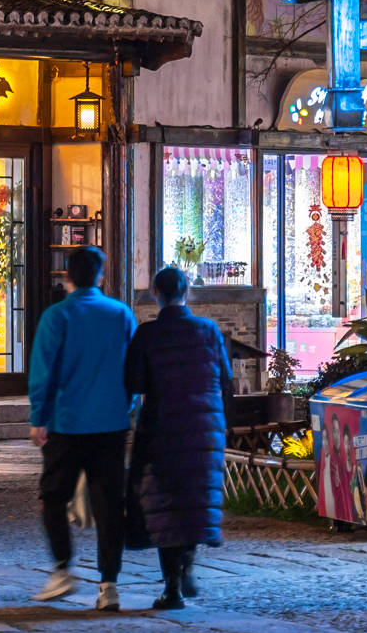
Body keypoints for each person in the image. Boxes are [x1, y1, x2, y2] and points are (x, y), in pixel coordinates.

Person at [27, 243, 136, 610]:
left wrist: (38, 418)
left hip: (66, 422)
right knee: (109, 505)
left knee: (53, 496)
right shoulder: (121, 314)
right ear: (101, 276)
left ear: (66, 276)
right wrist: (128, 406)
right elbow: (132, 370)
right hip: (110, 423)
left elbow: (43, 372)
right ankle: (109, 586)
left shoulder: (56, 317)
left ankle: (62, 569)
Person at [123, 264, 233, 609]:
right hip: (204, 430)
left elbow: (133, 384)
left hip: (162, 429)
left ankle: (172, 585)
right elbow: (226, 381)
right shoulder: (209, 331)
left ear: (156, 293)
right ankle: (187, 568)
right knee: (194, 498)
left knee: (164, 504)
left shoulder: (147, 334)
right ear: (188, 292)